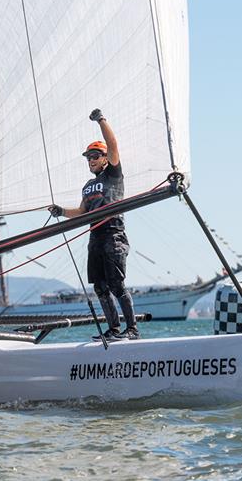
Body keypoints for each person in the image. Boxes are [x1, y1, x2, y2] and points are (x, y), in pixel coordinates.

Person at [48, 109, 139, 341]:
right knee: (100, 287)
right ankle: (114, 329)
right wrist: (61, 211)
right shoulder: (88, 185)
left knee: (116, 285)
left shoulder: (113, 175)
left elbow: (113, 143)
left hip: (113, 236)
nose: (91, 160)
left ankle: (132, 330)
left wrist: (101, 120)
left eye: (95, 156)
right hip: (95, 238)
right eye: (88, 157)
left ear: (105, 158)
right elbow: (81, 212)